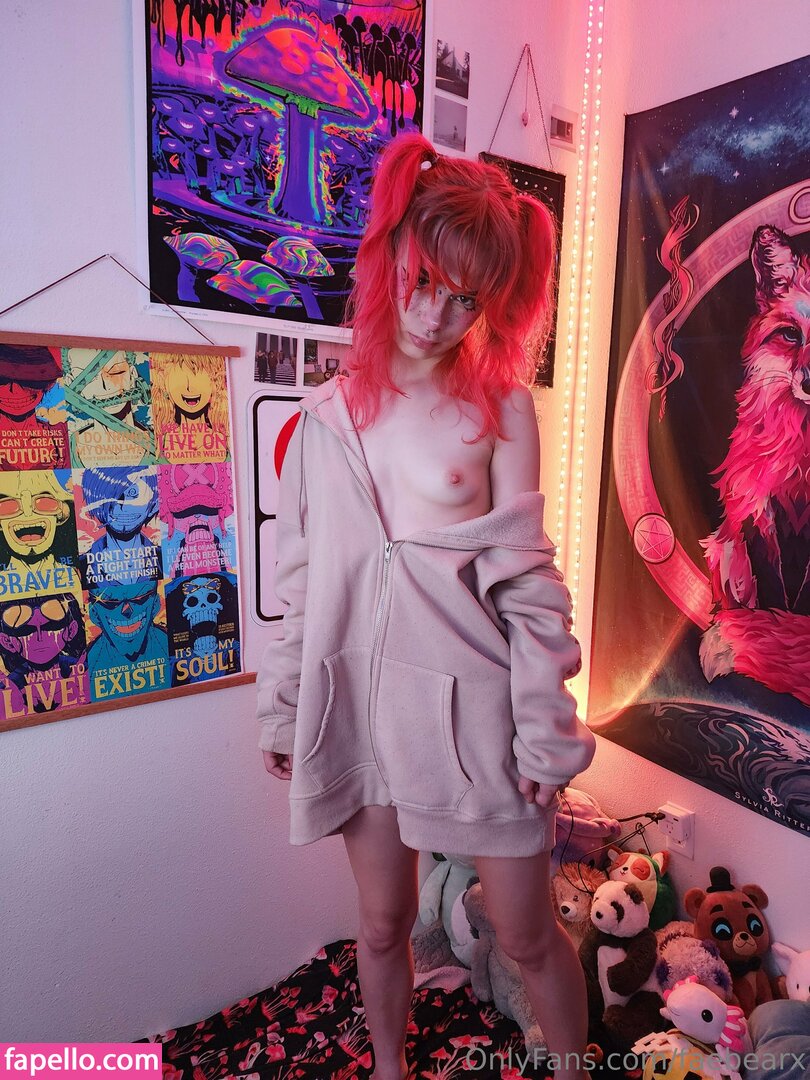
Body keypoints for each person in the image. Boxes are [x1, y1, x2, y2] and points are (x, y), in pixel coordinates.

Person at [258, 133, 596, 1080]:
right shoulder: (323, 419)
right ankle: (391, 1068)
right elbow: (302, 580)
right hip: (360, 710)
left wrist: (545, 729)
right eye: (424, 280)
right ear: (391, 255)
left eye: (467, 299)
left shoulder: (502, 410)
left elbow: (529, 583)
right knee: (381, 923)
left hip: (473, 718)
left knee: (527, 935)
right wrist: (283, 705)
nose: (435, 315)